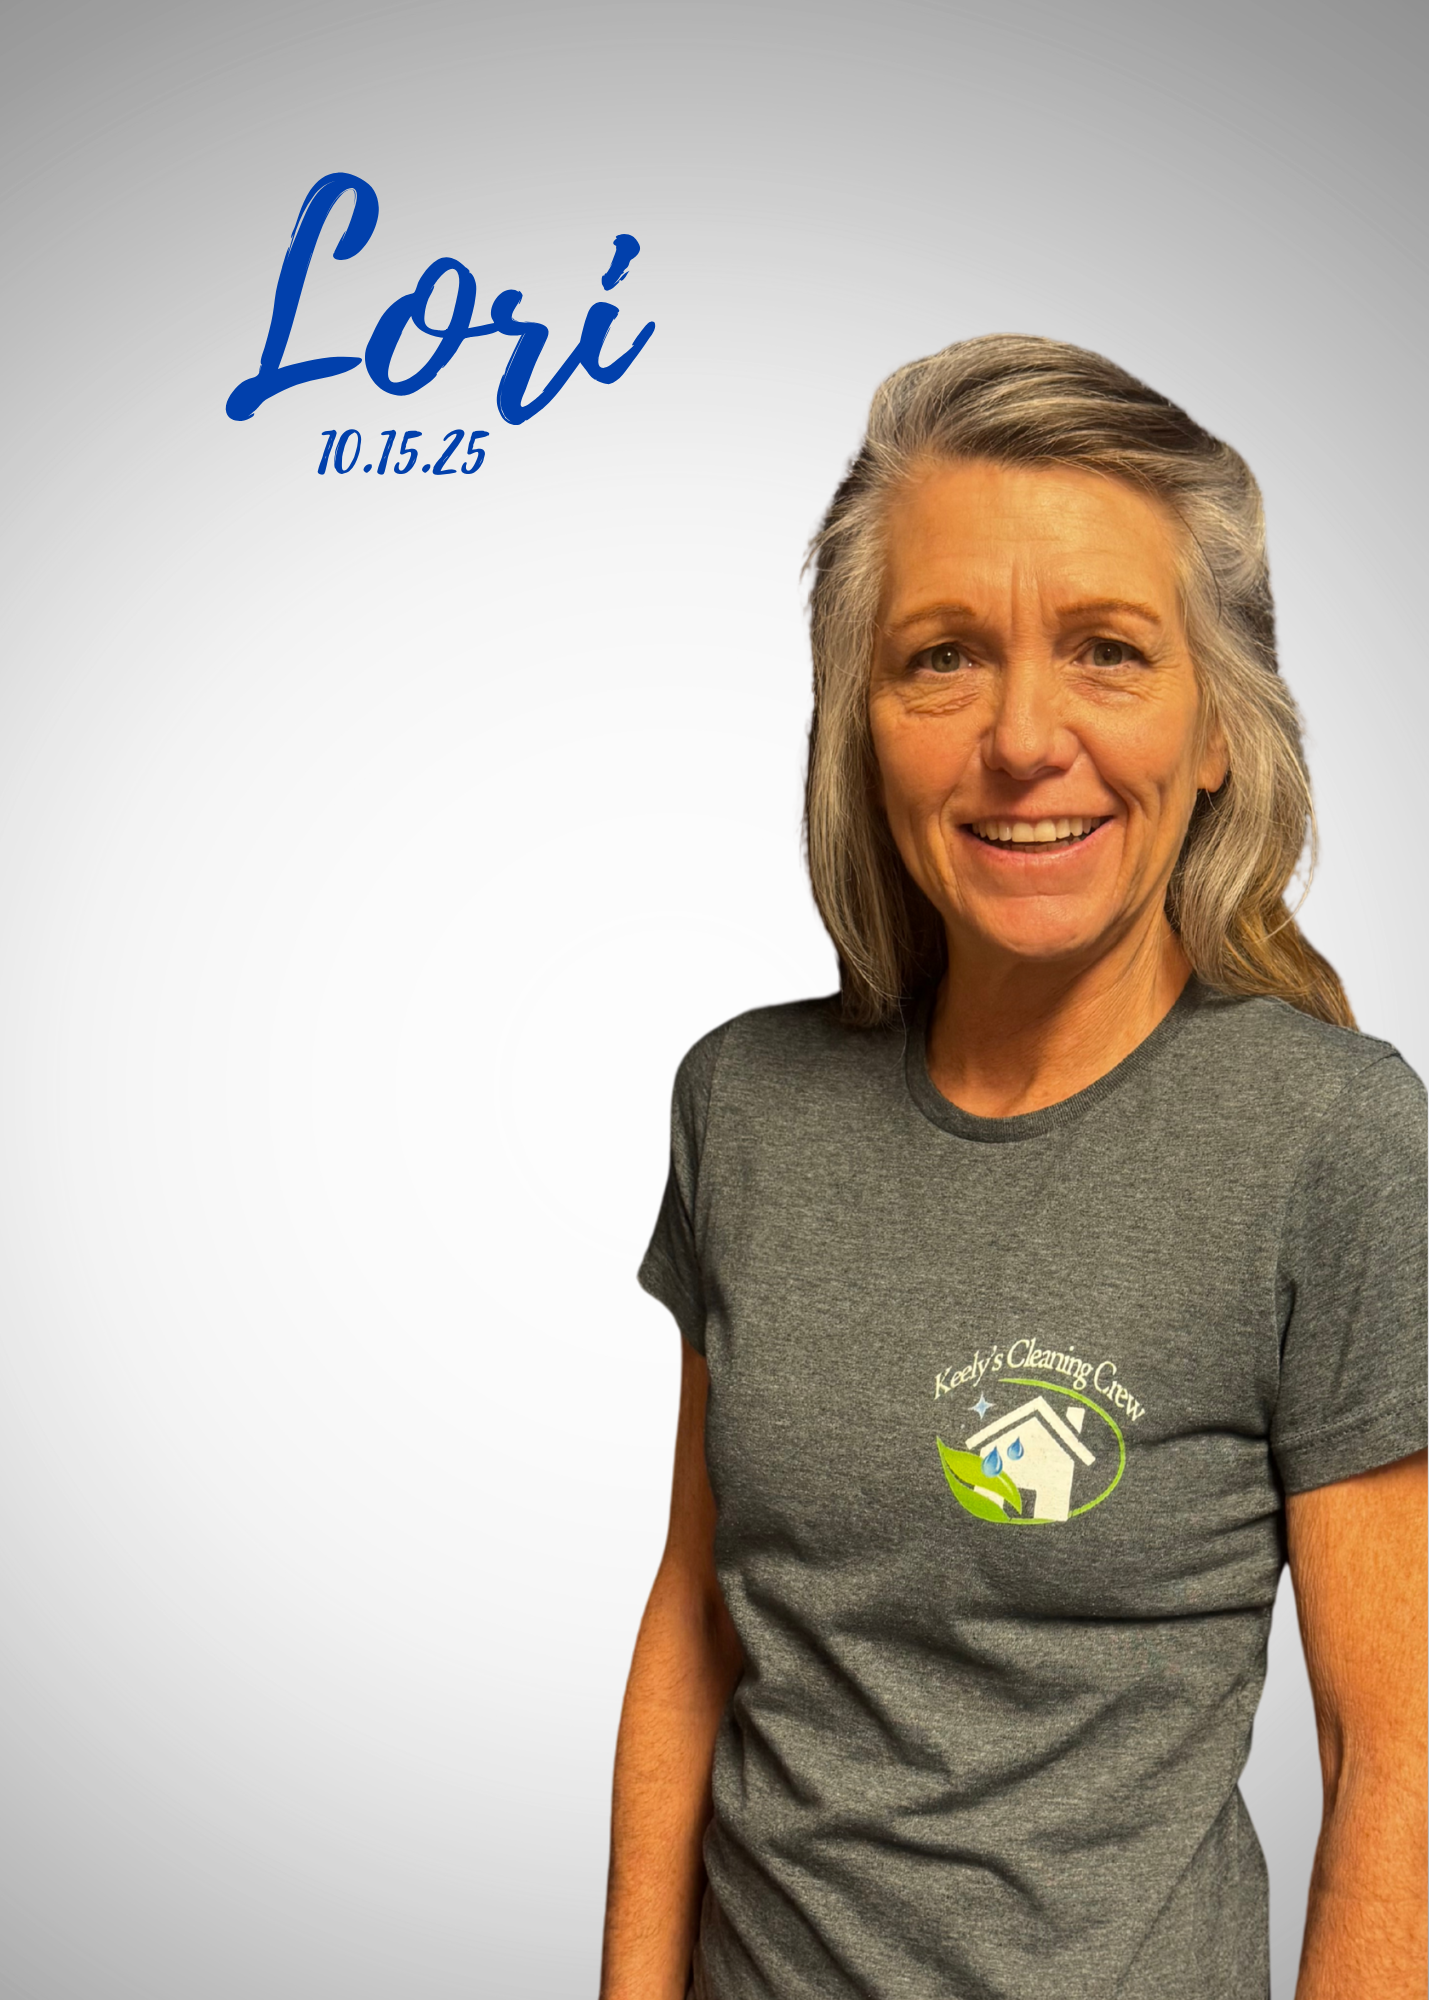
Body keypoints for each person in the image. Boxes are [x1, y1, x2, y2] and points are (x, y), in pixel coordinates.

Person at [598, 336, 1427, 2000]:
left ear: (1217, 728)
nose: (1025, 739)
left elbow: (1396, 1751)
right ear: (862, 728)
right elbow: (696, 1621)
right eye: (944, 659)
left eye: (1109, 652)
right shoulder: (742, 1104)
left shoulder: (1331, 1140)